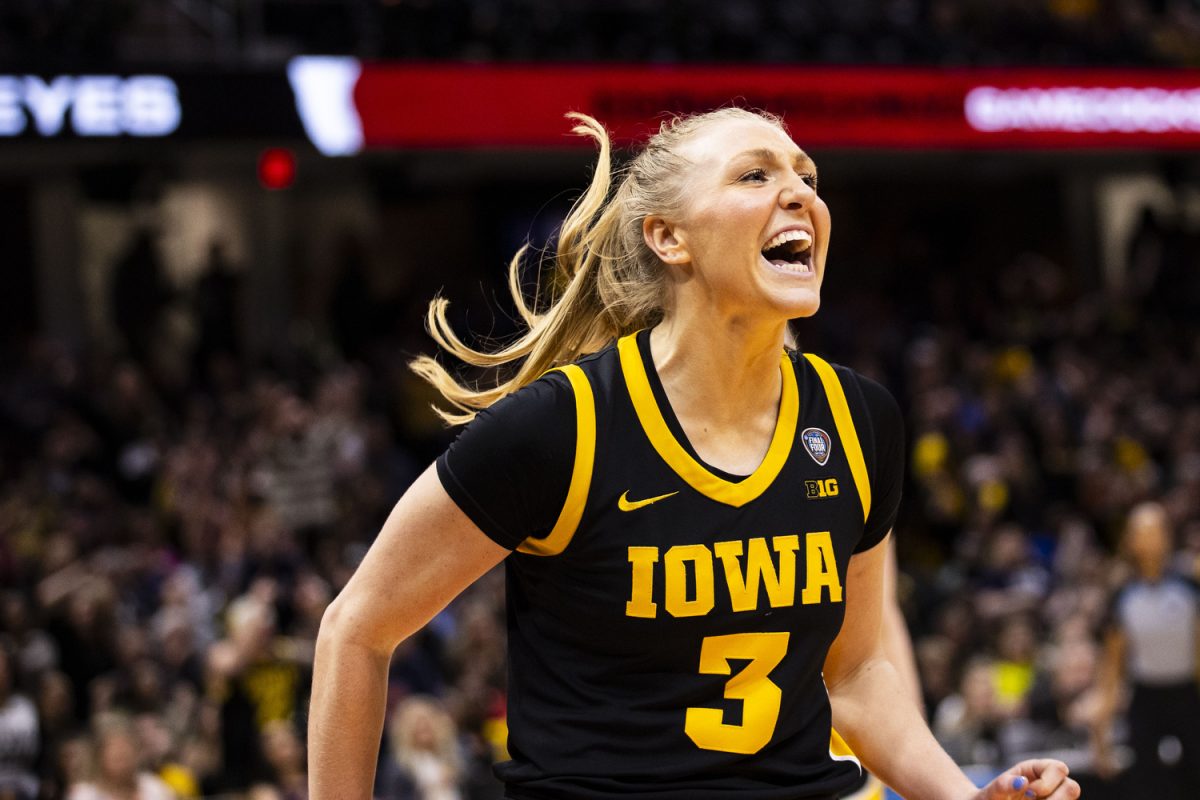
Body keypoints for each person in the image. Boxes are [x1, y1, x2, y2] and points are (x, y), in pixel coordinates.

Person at [308, 109, 1081, 800]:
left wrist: (964, 794)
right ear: (667, 237)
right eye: (756, 173)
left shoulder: (856, 419)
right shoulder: (561, 429)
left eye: (807, 177)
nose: (800, 193)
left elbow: (855, 673)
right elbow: (357, 629)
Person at [1092, 502, 1200, 798]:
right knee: (1146, 784)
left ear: (1167, 535)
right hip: (1145, 697)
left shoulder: (1190, 584)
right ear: (1130, 540)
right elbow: (1112, 667)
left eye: (1154, 530)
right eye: (1140, 531)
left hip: (1189, 694)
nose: (1148, 537)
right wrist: (1100, 734)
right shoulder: (1123, 594)